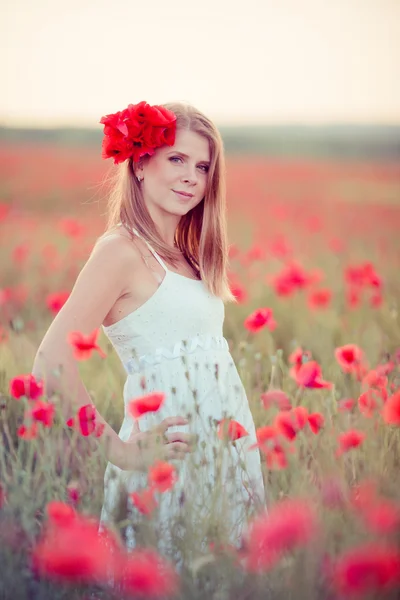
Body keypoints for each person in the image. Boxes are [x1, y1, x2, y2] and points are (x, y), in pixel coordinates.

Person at [32, 100, 265, 560]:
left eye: (202, 166)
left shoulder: (188, 255)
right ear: (140, 163)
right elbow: (50, 363)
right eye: (176, 159)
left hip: (223, 455)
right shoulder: (121, 251)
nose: (191, 177)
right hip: (167, 460)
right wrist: (119, 452)